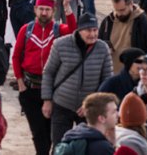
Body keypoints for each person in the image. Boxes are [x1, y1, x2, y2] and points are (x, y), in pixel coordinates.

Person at [11, 0, 76, 155]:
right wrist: (19, 81)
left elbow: (75, 32)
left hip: (54, 90)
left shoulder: (59, 30)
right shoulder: (26, 30)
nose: (44, 13)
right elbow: (16, 56)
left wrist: (67, 7)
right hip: (30, 89)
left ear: (53, 11)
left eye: (47, 9)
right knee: (39, 134)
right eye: (41, 9)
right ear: (35, 10)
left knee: (54, 134)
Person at [41, 15, 114, 148]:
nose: (92, 34)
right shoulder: (60, 44)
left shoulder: (102, 48)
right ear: (79, 30)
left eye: (95, 30)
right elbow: (48, 72)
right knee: (59, 146)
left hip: (89, 110)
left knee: (88, 147)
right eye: (88, 30)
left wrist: (91, 104)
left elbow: (107, 81)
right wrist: (47, 100)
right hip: (62, 103)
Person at [99, 0, 147, 72]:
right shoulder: (107, 22)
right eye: (116, 10)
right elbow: (99, 44)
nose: (119, 14)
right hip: (111, 74)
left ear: (131, 4)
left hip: (134, 75)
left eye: (122, 10)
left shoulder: (143, 23)